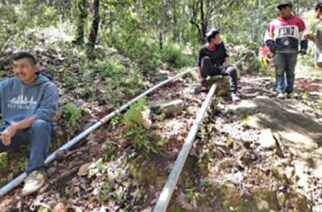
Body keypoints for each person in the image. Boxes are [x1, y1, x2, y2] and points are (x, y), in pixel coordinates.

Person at [0, 52, 58, 196]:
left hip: (33, 131)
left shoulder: (48, 87)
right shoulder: (5, 86)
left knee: (41, 124)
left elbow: (46, 114)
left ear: (36, 68)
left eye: (23, 66)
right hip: (8, 133)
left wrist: (15, 127)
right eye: (15, 67)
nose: (19, 71)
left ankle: (36, 171)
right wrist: (9, 130)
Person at [264, 2, 308, 99]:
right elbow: (268, 37)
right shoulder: (273, 23)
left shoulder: (298, 21)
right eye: (280, 9)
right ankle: (280, 91)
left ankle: (290, 91)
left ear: (290, 8)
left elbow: (303, 36)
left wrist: (304, 47)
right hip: (279, 52)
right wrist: (272, 47)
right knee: (279, 71)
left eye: (284, 8)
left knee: (291, 72)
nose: (282, 10)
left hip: (293, 51)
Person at [197, 28, 240, 102]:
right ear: (212, 39)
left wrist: (226, 63)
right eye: (217, 37)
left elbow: (226, 55)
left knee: (232, 70)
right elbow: (199, 64)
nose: (219, 38)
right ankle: (204, 83)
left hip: (221, 68)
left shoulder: (221, 45)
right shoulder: (203, 50)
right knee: (205, 59)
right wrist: (199, 76)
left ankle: (232, 93)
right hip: (211, 70)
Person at [305, 2, 322, 68]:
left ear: (319, 10)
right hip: (319, 47)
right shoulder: (319, 22)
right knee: (319, 64)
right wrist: (312, 38)